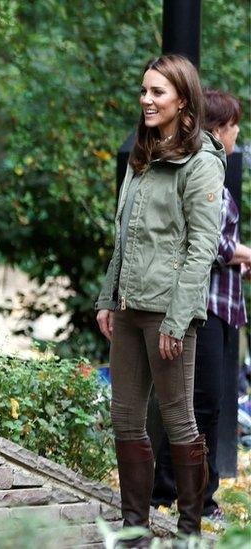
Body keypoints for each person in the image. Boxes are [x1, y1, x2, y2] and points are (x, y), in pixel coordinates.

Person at [95, 55, 225, 541]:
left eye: (158, 93)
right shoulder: (143, 154)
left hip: (169, 312)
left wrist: (177, 320)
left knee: (177, 419)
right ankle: (136, 530)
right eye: (144, 91)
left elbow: (201, 248)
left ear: (183, 101)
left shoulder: (203, 163)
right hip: (128, 309)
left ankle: (190, 530)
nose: (147, 100)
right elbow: (124, 236)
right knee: (125, 418)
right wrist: (108, 297)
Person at [151, 89, 249, 522]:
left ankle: (185, 496)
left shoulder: (216, 171)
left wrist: (239, 260)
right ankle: (188, 500)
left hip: (222, 306)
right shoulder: (202, 171)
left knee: (201, 404)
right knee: (198, 405)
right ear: (217, 128)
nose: (237, 133)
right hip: (201, 308)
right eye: (233, 126)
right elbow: (206, 243)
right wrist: (244, 254)